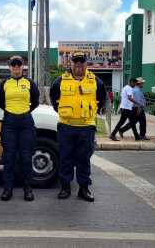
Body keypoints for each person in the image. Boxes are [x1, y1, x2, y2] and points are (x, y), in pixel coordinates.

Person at [50, 52, 106, 202]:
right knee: (65, 158)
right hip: (66, 126)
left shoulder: (95, 81)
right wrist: (65, 113)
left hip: (86, 127)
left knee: (84, 159)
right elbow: (54, 98)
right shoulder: (60, 80)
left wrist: (92, 112)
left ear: (86, 64)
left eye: (82, 62)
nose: (79, 65)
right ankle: (65, 187)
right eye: (76, 62)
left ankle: (84, 189)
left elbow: (101, 99)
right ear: (71, 64)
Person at [0, 55, 39, 201]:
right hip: (9, 122)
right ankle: (8, 189)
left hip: (25, 122)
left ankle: (28, 189)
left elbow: (35, 101)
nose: (16, 67)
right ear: (9, 67)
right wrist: (11, 111)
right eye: (13, 65)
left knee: (26, 158)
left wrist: (24, 111)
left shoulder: (29, 83)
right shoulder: (4, 83)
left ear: (23, 66)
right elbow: (0, 102)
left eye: (18, 64)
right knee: (9, 157)